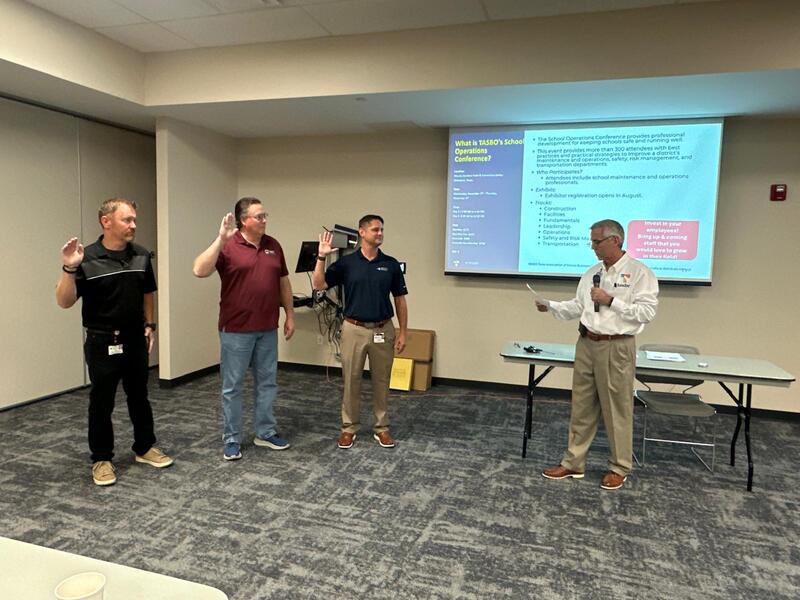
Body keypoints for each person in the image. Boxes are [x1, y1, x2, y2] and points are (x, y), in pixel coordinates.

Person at [56, 198, 173, 487]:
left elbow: (147, 292)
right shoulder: (86, 257)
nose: (134, 225)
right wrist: (69, 269)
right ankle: (101, 458)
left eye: (134, 219)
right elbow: (64, 301)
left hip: (135, 339)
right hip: (101, 340)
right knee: (102, 401)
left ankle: (144, 447)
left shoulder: (141, 255)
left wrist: (150, 325)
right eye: (127, 220)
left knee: (139, 396)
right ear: (106, 222)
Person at [537, 219, 658, 490]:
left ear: (615, 240)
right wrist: (551, 306)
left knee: (616, 409)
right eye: (591, 241)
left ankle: (619, 467)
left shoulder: (640, 273)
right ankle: (573, 463)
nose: (592, 247)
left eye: (597, 242)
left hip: (617, 346)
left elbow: (646, 313)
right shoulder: (592, 272)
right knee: (581, 405)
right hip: (586, 343)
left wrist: (611, 300)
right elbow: (579, 306)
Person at [193, 197, 295, 461]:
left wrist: (290, 314)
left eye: (265, 215)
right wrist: (220, 239)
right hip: (236, 329)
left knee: (267, 383)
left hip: (267, 328)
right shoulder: (228, 245)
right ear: (244, 220)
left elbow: (283, 282)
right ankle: (232, 438)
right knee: (233, 386)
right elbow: (199, 270)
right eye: (259, 216)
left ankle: (265, 432)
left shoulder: (273, 245)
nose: (264, 220)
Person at [312, 215, 408, 449]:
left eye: (382, 230)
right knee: (351, 379)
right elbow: (319, 284)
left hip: (383, 329)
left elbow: (400, 300)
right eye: (375, 229)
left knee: (382, 380)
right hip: (353, 329)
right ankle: (349, 428)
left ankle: (382, 428)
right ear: (362, 232)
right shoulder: (347, 264)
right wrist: (321, 257)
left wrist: (403, 332)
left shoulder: (391, 264)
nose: (380, 233)